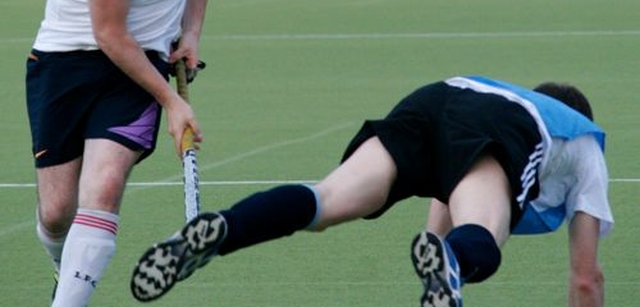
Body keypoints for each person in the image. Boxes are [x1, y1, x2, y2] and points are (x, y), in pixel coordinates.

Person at [130, 75, 613, 307]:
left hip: (437, 96)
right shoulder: (580, 141)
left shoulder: (498, 89)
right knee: (484, 233)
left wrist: (439, 272)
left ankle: (225, 230)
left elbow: (445, 190)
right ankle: (459, 264)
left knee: (325, 200)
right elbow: (586, 279)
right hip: (501, 128)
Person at [25, 0, 231, 306]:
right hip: (68, 57)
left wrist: (192, 32)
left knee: (106, 183)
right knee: (57, 212)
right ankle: (68, 270)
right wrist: (173, 102)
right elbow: (110, 34)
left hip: (145, 60)